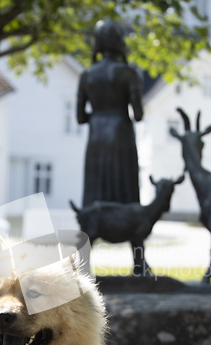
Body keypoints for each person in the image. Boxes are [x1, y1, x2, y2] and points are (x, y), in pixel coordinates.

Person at [77, 19, 144, 207]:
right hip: (122, 133)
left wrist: (98, 115)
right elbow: (138, 114)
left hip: (96, 134)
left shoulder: (87, 75)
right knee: (124, 192)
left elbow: (81, 117)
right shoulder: (130, 74)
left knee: (95, 189)